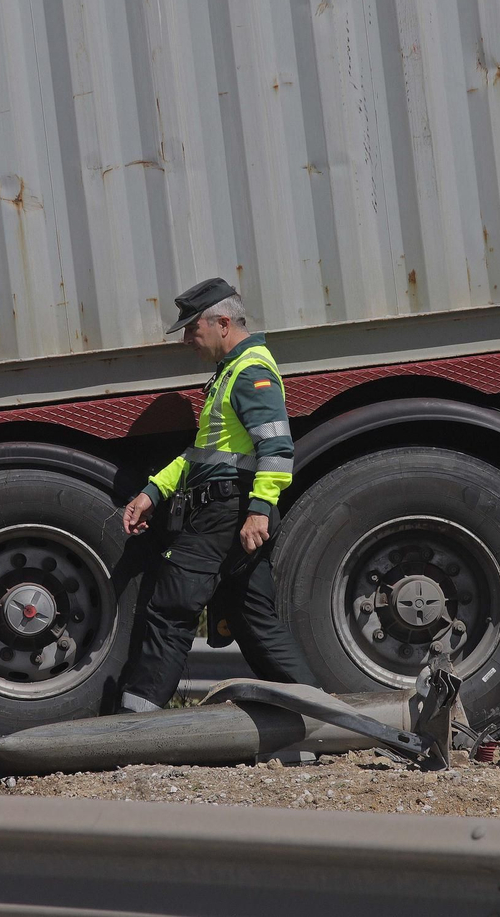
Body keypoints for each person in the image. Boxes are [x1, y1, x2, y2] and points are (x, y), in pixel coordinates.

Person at [116, 277, 319, 712]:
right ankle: (323, 716)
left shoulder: (250, 373)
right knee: (253, 620)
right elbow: (202, 455)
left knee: (169, 609)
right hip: (228, 508)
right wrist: (153, 491)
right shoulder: (229, 373)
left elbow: (278, 447)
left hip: (226, 511)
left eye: (194, 328)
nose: (188, 338)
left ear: (222, 323)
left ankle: (132, 727)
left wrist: (260, 509)